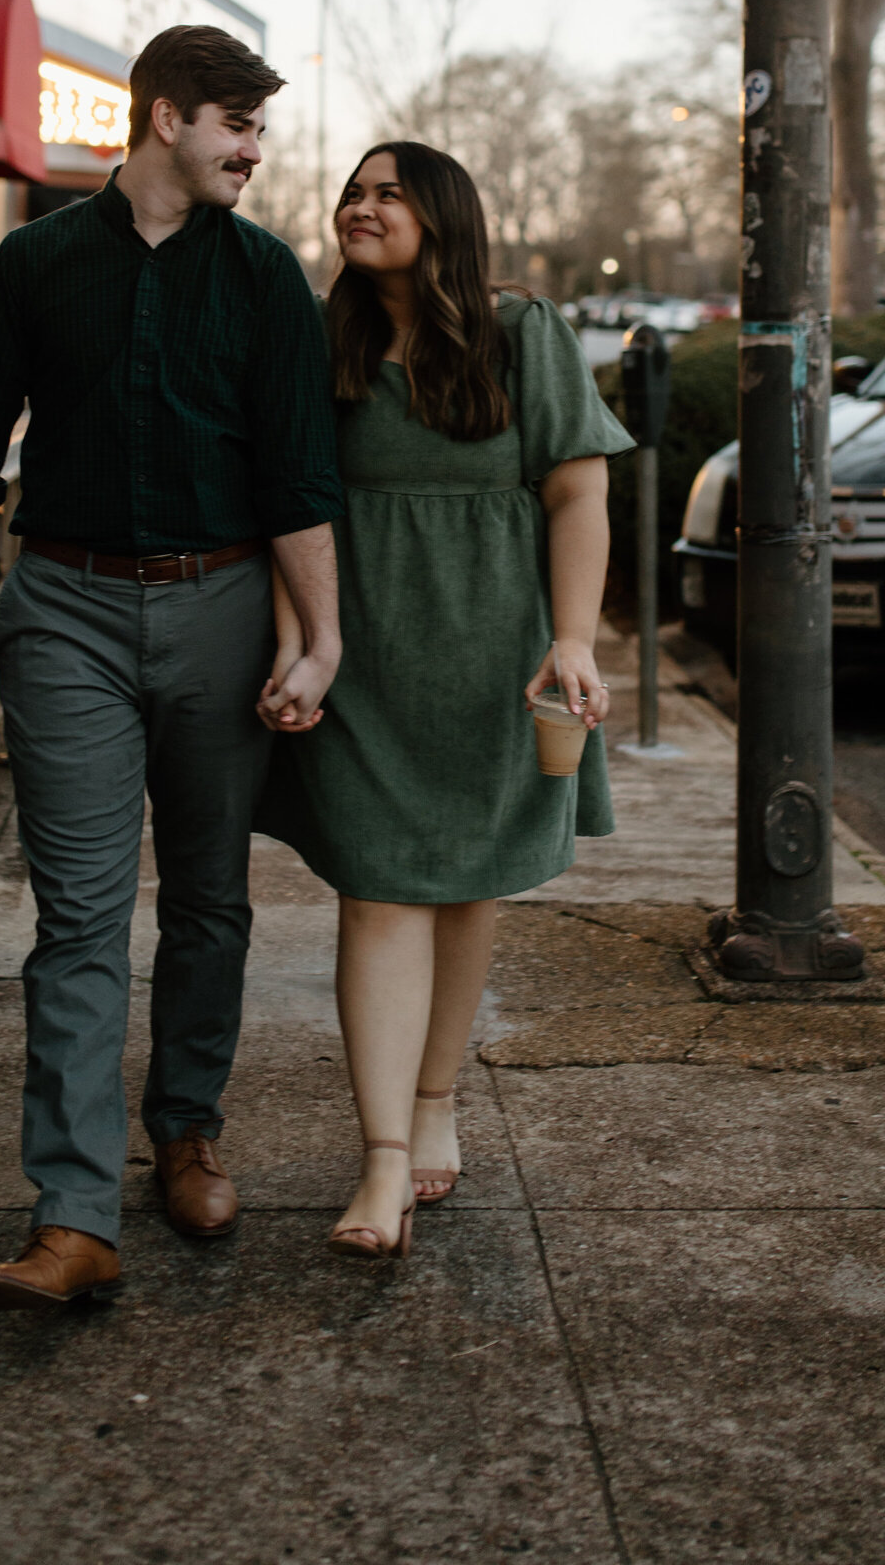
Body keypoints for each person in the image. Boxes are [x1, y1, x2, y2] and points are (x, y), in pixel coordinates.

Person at [0, 24, 343, 1311]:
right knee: (79, 917)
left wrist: (320, 638)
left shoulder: (265, 276)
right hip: (66, 614)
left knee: (208, 898)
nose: (252, 152)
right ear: (164, 118)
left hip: (221, 610)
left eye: (258, 131)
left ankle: (187, 1132)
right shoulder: (36, 263)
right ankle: (74, 1214)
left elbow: (297, 477)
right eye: (236, 126)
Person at [257, 142, 632, 1259]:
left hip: (496, 657)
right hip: (361, 653)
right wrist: (297, 645)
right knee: (379, 893)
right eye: (353, 193)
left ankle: (433, 1103)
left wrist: (574, 639)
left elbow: (578, 493)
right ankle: (382, 1157)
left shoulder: (525, 334)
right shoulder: (315, 337)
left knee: (471, 887)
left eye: (389, 194)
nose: (359, 207)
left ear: (445, 218)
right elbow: (288, 503)